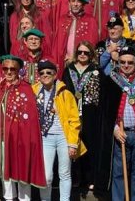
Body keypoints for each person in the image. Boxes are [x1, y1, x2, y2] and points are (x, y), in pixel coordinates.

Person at [96, 46, 135, 201]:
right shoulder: (110, 81)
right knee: (118, 173)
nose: (125, 66)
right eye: (122, 62)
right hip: (121, 134)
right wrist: (114, 128)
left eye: (130, 62)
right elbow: (104, 110)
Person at [0, 55, 46, 200]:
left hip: (20, 140)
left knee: (22, 172)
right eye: (5, 68)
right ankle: (9, 198)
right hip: (3, 139)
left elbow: (30, 119)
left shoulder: (26, 89)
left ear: (18, 70)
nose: (8, 72)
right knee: (6, 173)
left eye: (12, 69)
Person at [33, 60, 85, 201]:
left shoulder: (66, 94)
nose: (45, 75)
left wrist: (73, 143)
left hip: (63, 137)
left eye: (49, 72)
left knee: (65, 173)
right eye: (42, 73)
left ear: (55, 75)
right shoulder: (34, 92)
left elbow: (75, 120)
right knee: (47, 176)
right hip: (45, 137)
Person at [60, 41, 102, 194]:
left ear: (91, 54)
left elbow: (100, 94)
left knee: (89, 145)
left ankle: (90, 178)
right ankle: (74, 178)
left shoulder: (96, 70)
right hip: (71, 113)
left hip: (90, 114)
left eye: (86, 52)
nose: (82, 55)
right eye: (80, 52)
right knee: (73, 144)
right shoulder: (68, 70)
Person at [51, 0, 99, 75]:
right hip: (65, 61)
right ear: (69, 2)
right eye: (73, 1)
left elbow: (92, 44)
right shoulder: (62, 19)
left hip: (82, 62)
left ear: (83, 4)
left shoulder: (90, 20)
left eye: (78, 1)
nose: (75, 4)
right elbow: (57, 44)